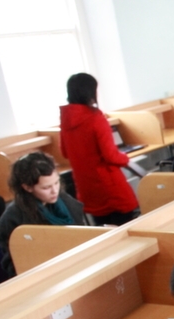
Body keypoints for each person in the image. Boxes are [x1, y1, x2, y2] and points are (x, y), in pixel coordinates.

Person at [59, 72, 139, 226]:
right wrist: (125, 157)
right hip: (109, 187)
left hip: (87, 188)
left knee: (103, 232)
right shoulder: (95, 118)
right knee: (127, 228)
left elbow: (64, 152)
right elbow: (110, 156)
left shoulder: (65, 120)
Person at [0, 152, 86, 276]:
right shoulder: (13, 219)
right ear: (27, 187)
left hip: (76, 265)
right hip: (47, 275)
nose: (55, 191)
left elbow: (82, 234)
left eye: (56, 183)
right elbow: (15, 266)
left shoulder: (64, 200)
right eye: (46, 188)